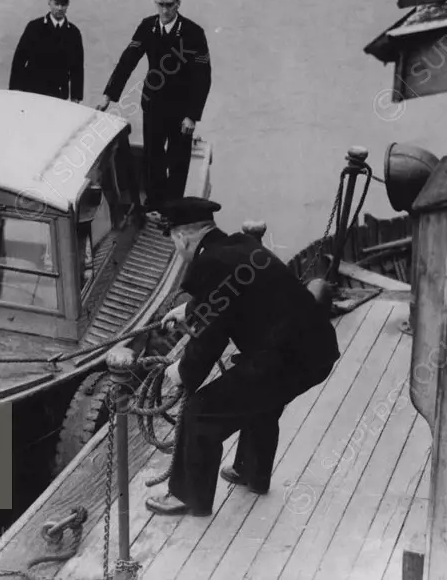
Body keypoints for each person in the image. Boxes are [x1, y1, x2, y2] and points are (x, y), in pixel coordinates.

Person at [145, 197, 341, 517]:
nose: (177, 251)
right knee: (261, 401)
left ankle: (188, 496)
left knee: (202, 411)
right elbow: (230, 297)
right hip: (314, 348)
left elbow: (211, 338)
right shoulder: (238, 245)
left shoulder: (211, 263)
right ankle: (253, 474)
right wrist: (191, 309)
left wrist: (183, 371)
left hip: (288, 356)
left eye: (174, 242)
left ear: (182, 236)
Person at [95, 0, 211, 212]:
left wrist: (192, 116)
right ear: (155, 3)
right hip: (154, 103)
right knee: (152, 157)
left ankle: (173, 210)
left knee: (178, 161)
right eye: (161, 5)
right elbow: (127, 60)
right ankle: (153, 206)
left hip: (182, 108)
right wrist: (109, 95)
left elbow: (203, 77)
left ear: (178, 4)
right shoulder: (147, 27)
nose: (165, 10)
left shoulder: (193, 32)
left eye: (170, 5)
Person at [9, 0, 84, 102]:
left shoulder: (73, 33)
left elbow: (77, 68)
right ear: (49, 2)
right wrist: (15, 91)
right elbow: (19, 60)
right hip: (32, 92)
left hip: (58, 94)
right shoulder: (34, 27)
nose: (60, 8)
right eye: (56, 3)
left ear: (68, 4)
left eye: (63, 4)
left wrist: (76, 97)